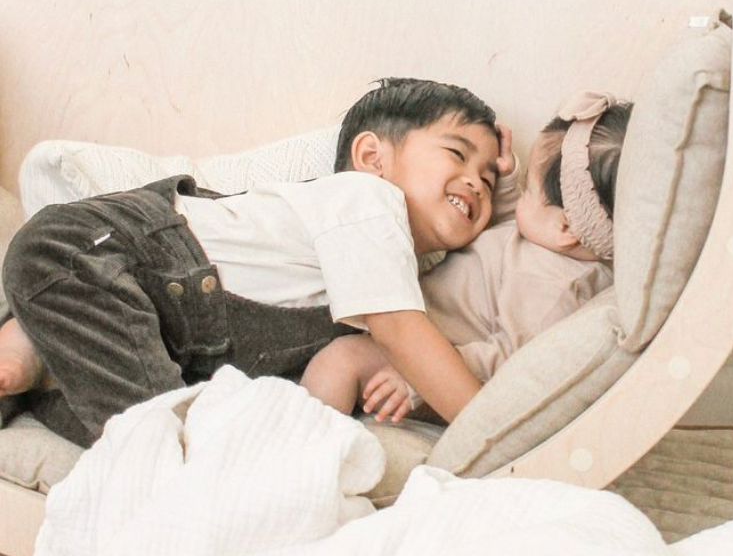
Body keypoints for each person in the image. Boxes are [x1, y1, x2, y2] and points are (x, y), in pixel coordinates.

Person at [0, 78, 508, 445]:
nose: (476, 182)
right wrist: (494, 436)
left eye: (490, 179)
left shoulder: (378, 277)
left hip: (147, 324)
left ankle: (35, 349)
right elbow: (403, 334)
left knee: (146, 434)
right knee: (164, 449)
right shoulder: (367, 200)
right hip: (105, 250)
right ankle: (36, 329)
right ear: (372, 159)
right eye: (457, 154)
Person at [300, 92, 632, 422]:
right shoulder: (546, 242)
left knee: (342, 361)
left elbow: (514, 361)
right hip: (424, 350)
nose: (482, 186)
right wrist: (506, 181)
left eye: (528, 190)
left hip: (445, 366)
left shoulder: (553, 286)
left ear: (565, 227)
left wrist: (417, 380)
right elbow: (510, 232)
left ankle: (302, 442)